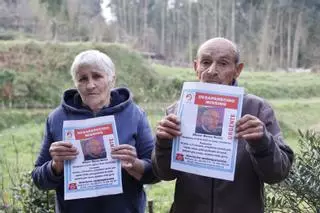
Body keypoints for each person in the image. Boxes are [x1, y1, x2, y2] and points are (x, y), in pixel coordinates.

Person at [152, 37, 294, 213]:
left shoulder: (257, 110)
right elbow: (164, 174)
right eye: (205, 62)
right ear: (196, 67)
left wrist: (263, 142)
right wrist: (163, 143)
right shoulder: (177, 110)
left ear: (237, 70)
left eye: (223, 63)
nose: (212, 70)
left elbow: (277, 174)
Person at [32, 50, 158, 213]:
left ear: (112, 79)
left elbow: (155, 173)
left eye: (97, 76)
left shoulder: (134, 115)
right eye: (82, 79)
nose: (90, 85)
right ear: (75, 83)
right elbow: (39, 180)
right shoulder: (57, 118)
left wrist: (134, 164)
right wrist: (56, 165)